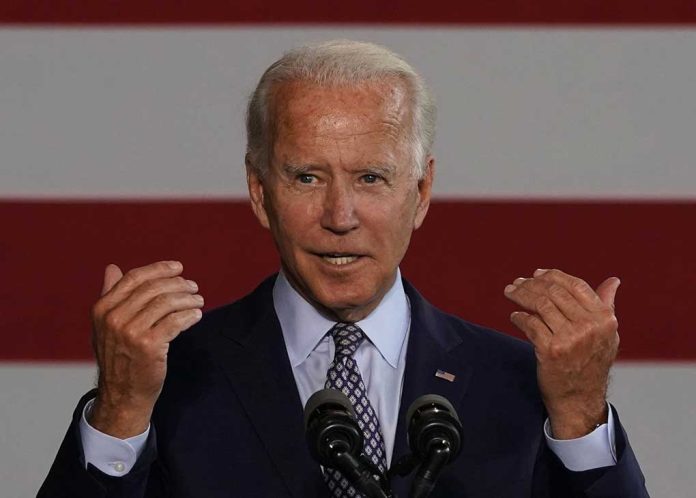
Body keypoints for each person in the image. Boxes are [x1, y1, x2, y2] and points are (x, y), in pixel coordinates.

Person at [38, 40, 648, 497]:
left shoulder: (521, 384)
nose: (340, 216)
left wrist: (580, 417)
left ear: (422, 191)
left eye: (371, 178)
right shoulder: (170, 379)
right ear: (259, 191)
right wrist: (118, 412)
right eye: (307, 177)